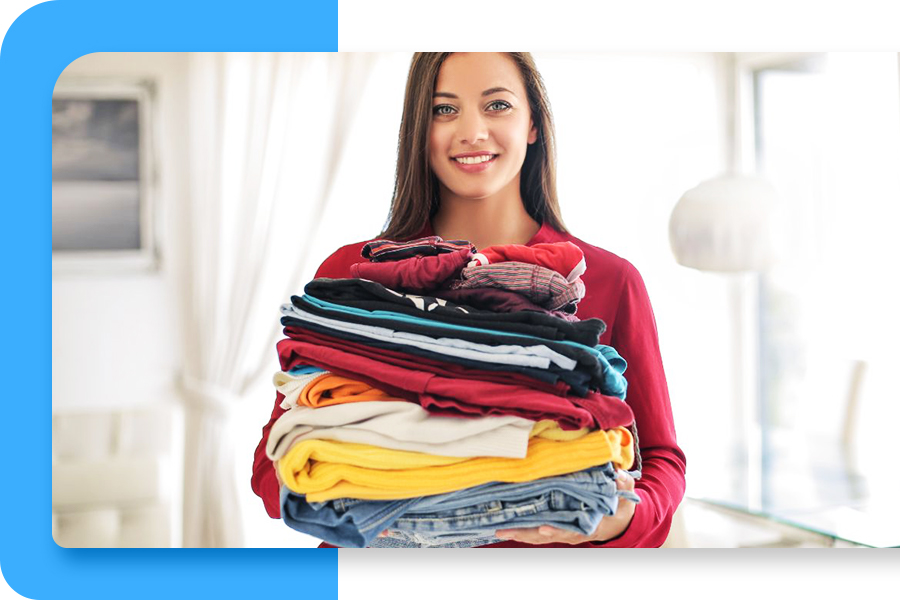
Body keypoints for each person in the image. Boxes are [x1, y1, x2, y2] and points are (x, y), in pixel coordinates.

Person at [251, 52, 687, 547]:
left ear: (533, 124)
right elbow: (273, 467)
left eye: (497, 105)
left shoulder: (610, 280)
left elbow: (661, 459)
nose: (472, 131)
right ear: (419, 128)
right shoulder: (351, 277)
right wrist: (369, 492)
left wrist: (622, 517)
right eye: (444, 109)